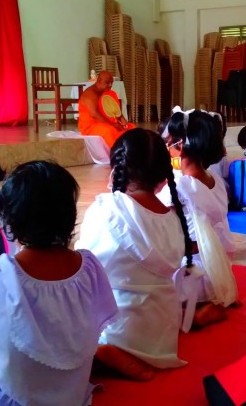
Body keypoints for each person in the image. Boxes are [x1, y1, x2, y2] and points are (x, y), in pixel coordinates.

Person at [0, 161, 118, 406]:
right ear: (69, 216)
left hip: (16, 394)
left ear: (10, 220)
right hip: (72, 392)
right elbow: (97, 323)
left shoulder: (0, 273)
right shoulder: (89, 267)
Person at [77, 128, 192, 377]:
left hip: (118, 329)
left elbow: (85, 270)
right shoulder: (173, 219)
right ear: (162, 176)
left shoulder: (107, 209)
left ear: (116, 167)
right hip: (161, 331)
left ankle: (105, 351)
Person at [158, 109, 238, 323]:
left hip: (191, 275)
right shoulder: (216, 181)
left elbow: (163, 234)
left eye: (167, 142)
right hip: (217, 271)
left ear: (179, 146)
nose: (166, 146)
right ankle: (208, 303)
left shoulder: (178, 187)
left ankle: (195, 316)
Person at [78, 70, 134, 148]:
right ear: (99, 81)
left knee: (130, 127)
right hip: (90, 126)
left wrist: (121, 118)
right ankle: (117, 151)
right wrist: (113, 124)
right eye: (107, 83)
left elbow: (112, 108)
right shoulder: (90, 94)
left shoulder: (107, 92)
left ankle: (131, 149)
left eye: (111, 83)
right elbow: (94, 114)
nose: (110, 85)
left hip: (107, 121)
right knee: (109, 131)